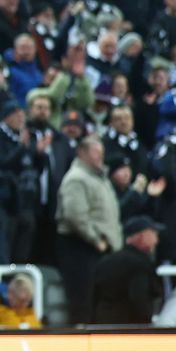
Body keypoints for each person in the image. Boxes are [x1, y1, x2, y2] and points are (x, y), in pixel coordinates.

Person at [55, 136, 120, 324]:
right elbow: (75, 215)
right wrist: (95, 239)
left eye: (102, 152)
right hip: (81, 248)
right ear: (81, 153)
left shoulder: (100, 178)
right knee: (83, 300)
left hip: (101, 249)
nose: (100, 156)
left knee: (98, 301)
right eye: (95, 152)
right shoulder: (76, 178)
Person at [92, 215, 163, 325]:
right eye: (154, 233)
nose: (156, 239)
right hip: (129, 328)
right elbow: (139, 300)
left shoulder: (106, 261)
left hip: (102, 324)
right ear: (141, 236)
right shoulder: (140, 263)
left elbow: (94, 296)